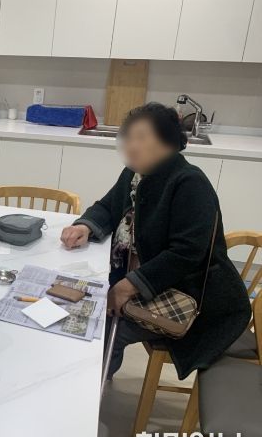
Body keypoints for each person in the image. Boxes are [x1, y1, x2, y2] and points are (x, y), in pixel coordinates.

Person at [60, 103, 250, 380]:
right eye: (128, 137)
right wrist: (85, 226)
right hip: (146, 283)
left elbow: (187, 253)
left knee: (101, 326)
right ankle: (84, 379)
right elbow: (109, 206)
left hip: (189, 298)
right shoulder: (135, 174)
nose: (131, 146)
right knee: (78, 301)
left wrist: (128, 286)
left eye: (141, 138)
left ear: (167, 143)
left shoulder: (189, 183)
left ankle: (89, 389)